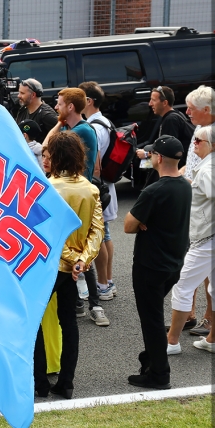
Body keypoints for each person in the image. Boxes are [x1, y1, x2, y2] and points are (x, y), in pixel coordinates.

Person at [32, 132, 103, 399]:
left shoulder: (48, 188)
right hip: (75, 271)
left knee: (34, 321)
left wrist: (73, 260)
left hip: (49, 266)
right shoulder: (91, 188)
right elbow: (97, 231)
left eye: (48, 156)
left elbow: (47, 234)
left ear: (57, 157)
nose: (44, 160)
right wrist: (82, 261)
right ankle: (67, 382)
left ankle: (39, 382)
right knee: (69, 322)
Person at [125, 136, 192, 390]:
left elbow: (129, 225)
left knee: (151, 319)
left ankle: (159, 374)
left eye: (153, 153)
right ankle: (150, 358)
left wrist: (143, 220)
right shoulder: (184, 185)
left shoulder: (154, 191)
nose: (150, 156)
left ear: (159, 158)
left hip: (150, 265)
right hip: (173, 264)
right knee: (153, 316)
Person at [47, 87, 108, 327]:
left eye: (60, 104)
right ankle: (85, 302)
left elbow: (48, 145)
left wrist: (77, 259)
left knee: (86, 244)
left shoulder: (82, 131)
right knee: (85, 245)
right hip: (81, 196)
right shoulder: (73, 129)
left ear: (71, 107)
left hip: (81, 197)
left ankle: (95, 302)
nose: (56, 108)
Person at [164, 126, 215, 356]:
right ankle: (214, 339)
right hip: (211, 235)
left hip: (208, 236)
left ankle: (171, 342)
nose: (194, 143)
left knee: (182, 286)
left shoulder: (209, 170)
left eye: (198, 141)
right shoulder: (208, 166)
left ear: (213, 145)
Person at [181, 85, 215, 338]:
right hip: (195, 206)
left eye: (191, 109)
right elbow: (193, 161)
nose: (186, 112)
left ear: (207, 110)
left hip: (210, 214)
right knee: (194, 262)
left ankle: (208, 320)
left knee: (208, 270)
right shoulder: (200, 126)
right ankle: (190, 314)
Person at [79, 81, 118, 302]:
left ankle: (102, 285)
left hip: (96, 186)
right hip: (106, 185)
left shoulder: (93, 126)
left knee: (99, 236)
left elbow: (95, 162)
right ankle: (108, 281)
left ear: (89, 101)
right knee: (106, 234)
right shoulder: (106, 122)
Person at [14, 78, 57, 144]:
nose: (18, 96)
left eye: (22, 93)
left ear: (33, 95)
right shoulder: (23, 110)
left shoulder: (47, 115)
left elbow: (59, 140)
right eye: (19, 92)